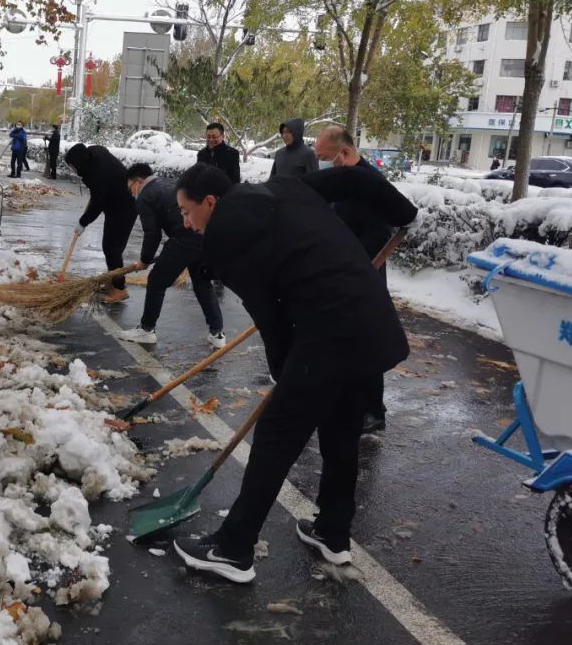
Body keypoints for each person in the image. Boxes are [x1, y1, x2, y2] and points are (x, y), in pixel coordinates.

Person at [170, 163, 417, 584]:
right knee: (341, 430)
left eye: (186, 211)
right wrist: (403, 210)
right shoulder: (284, 186)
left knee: (277, 433)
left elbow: (272, 319)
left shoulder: (225, 239)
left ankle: (233, 549)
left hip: (330, 331)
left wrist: (287, 376)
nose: (185, 222)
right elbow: (354, 177)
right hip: (371, 320)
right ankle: (333, 533)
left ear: (210, 202)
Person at [313, 125, 395, 433]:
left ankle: (374, 411)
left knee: (364, 341)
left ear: (344, 153)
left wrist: (347, 260)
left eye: (324, 157)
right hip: (340, 269)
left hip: (364, 272)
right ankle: (347, 401)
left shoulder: (368, 182)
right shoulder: (342, 178)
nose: (320, 163)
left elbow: (378, 234)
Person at [116, 163, 226, 349]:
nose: (131, 193)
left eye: (130, 188)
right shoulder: (164, 184)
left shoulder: (144, 196)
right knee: (201, 283)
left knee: (157, 281)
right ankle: (217, 333)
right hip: (202, 236)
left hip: (183, 237)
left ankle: (146, 329)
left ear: (139, 181)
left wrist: (144, 260)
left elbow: (152, 233)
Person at [63, 143, 137, 303]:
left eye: (72, 166)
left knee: (113, 249)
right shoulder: (95, 153)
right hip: (115, 203)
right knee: (108, 246)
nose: (72, 170)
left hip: (125, 207)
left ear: (79, 162)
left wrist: (83, 222)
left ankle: (120, 289)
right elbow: (99, 194)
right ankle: (112, 279)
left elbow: (98, 203)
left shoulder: (97, 174)